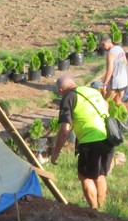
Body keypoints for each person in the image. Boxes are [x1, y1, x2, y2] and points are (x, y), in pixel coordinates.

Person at [49, 76, 114, 209]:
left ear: (61, 90)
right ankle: (102, 209)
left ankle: (94, 211)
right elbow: (106, 105)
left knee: (86, 177)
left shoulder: (68, 97)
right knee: (100, 175)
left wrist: (55, 153)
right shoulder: (92, 91)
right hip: (107, 138)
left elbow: (65, 131)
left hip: (90, 141)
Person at [99, 35, 128, 105]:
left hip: (115, 82)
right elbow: (126, 62)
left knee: (106, 103)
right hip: (124, 81)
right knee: (117, 102)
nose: (103, 48)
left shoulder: (110, 53)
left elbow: (110, 71)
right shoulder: (120, 48)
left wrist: (105, 84)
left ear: (104, 44)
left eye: (102, 46)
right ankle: (125, 112)